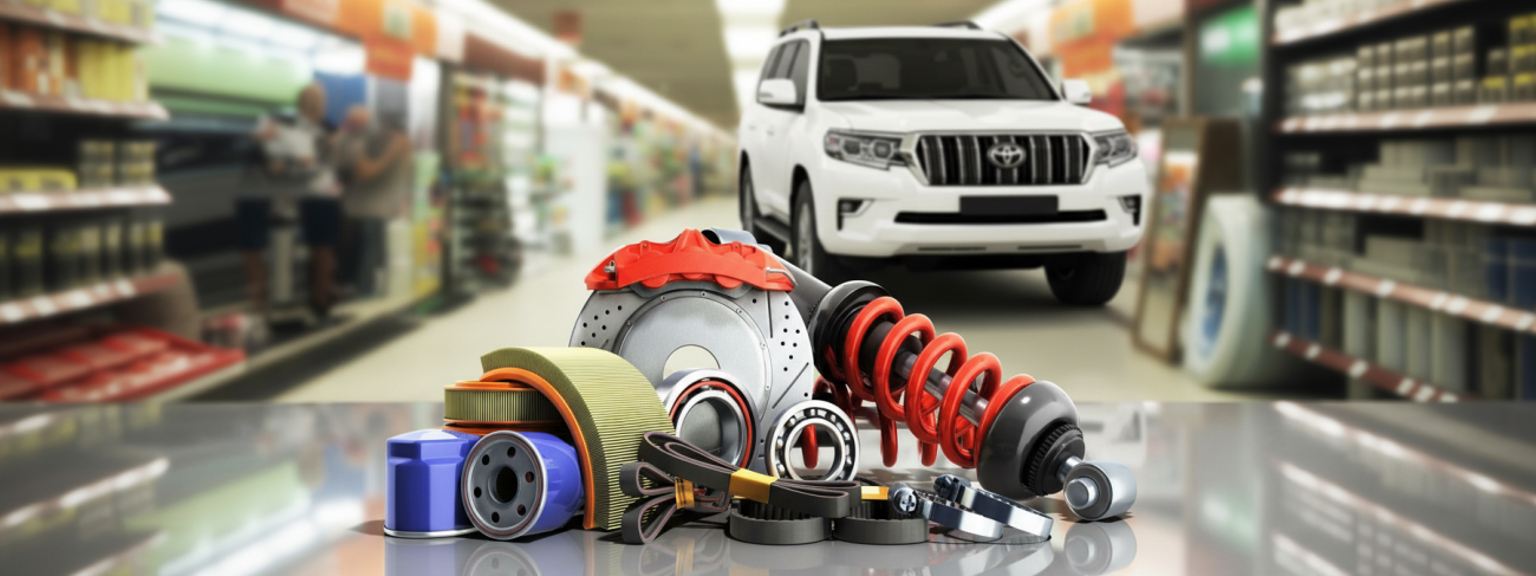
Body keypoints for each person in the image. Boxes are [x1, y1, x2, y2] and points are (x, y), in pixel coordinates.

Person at [244, 83, 341, 318]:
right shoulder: (285, 123)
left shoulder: (329, 128)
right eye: (309, 100)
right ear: (300, 103)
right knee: (284, 249)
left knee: (322, 247)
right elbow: (266, 151)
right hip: (291, 195)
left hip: (322, 194)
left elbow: (331, 158)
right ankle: (277, 302)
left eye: (318, 100)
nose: (315, 105)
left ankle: (320, 299)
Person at [335, 105, 411, 298]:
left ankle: (364, 290)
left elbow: (369, 171)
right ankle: (362, 290)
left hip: (375, 209)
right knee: (365, 254)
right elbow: (361, 171)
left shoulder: (380, 142)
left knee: (371, 254)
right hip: (363, 209)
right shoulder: (353, 141)